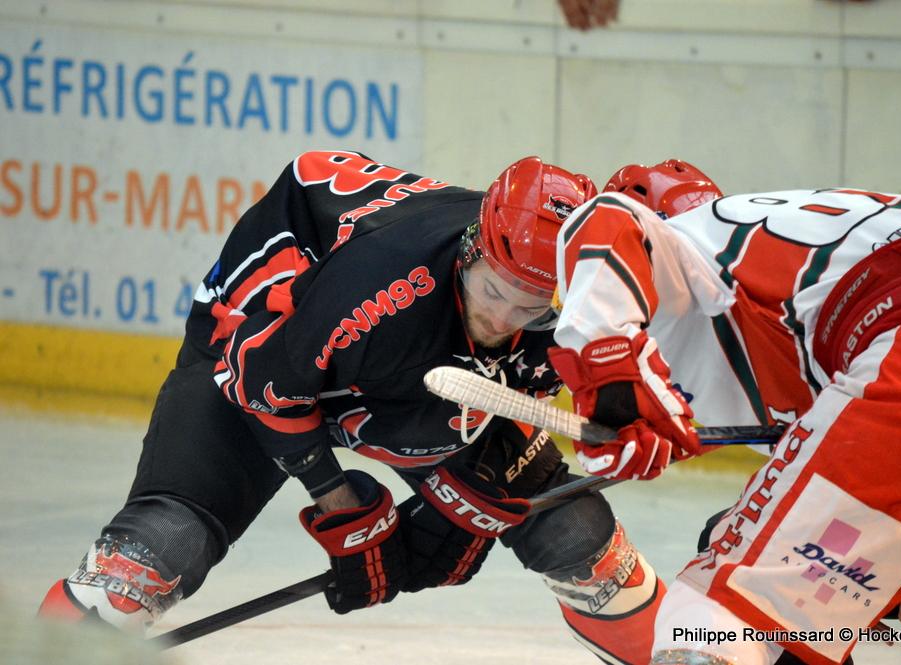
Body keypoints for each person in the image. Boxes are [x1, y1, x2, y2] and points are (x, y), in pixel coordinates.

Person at [37, 151, 664, 664]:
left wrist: (472, 511)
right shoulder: (382, 283)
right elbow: (268, 387)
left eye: (530, 307)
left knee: (588, 547)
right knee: (148, 559)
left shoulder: (583, 303)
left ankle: (688, 646)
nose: (504, 319)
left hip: (420, 378)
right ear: (473, 247)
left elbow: (543, 391)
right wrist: (338, 503)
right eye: (494, 292)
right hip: (258, 356)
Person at [546, 161, 901, 664]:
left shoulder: (689, 243)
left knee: (732, 604)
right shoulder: (789, 262)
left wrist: (612, 381)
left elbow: (604, 220)